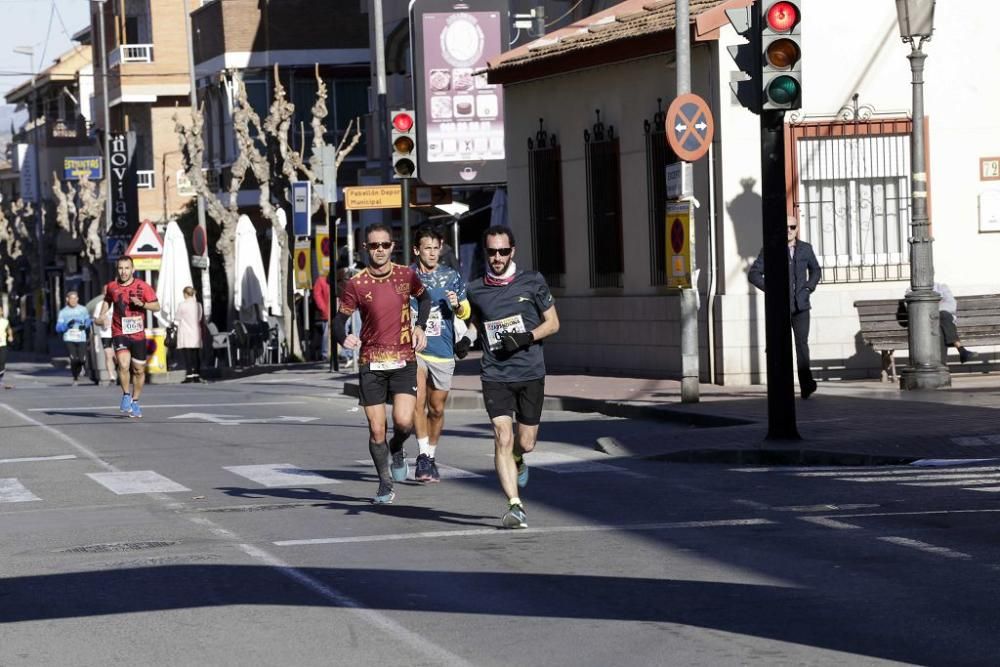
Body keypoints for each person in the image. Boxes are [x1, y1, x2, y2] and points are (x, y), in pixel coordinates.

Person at [467, 225, 560, 529]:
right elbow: (474, 325)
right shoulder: (475, 289)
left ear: (513, 251)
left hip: (530, 371)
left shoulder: (532, 282)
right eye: (492, 252)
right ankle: (515, 505)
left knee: (526, 442)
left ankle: (519, 457)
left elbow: (553, 324)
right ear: (486, 253)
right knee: (501, 436)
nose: (497, 257)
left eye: (503, 251)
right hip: (495, 373)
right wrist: (464, 341)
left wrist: (525, 338)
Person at [333, 224, 432, 504]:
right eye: (374, 246)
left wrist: (420, 327)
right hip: (371, 361)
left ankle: (397, 447)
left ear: (393, 246)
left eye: (385, 245)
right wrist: (344, 338)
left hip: (403, 359)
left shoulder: (406, 275)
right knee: (376, 428)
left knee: (403, 422)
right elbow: (339, 320)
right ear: (366, 248)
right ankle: (385, 483)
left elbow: (425, 299)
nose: (380, 250)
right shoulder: (357, 283)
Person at [409, 225, 472, 483]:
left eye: (436, 248)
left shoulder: (451, 276)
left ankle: (432, 456)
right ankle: (422, 456)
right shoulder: (407, 276)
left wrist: (457, 305)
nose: (432, 253)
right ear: (417, 250)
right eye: (427, 248)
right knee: (418, 401)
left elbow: (466, 311)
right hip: (415, 349)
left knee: (436, 408)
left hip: (443, 349)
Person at [748, 216, 821, 399]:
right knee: (779, 346)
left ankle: (806, 385)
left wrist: (808, 288)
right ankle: (781, 387)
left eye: (792, 226)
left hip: (801, 307)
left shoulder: (805, 249)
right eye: (785, 226)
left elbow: (816, 270)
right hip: (780, 308)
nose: (788, 229)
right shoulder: (771, 249)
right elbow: (754, 274)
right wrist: (772, 290)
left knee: (801, 346)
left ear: (797, 229)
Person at [97, 256, 160, 418]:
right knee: (124, 365)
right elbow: (107, 301)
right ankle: (126, 394)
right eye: (120, 268)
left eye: (126, 268)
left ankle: (135, 400)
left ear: (132, 269)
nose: (123, 272)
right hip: (120, 331)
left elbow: (156, 306)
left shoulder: (143, 286)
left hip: (138, 334)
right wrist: (101, 315)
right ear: (117, 269)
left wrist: (143, 304)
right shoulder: (112, 286)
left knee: (138, 370)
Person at [923, 282, 978, 364]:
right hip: (926, 325)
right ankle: (960, 349)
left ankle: (942, 367)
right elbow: (915, 310)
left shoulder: (941, 287)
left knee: (942, 321)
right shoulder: (911, 290)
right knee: (943, 316)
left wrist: (931, 308)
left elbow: (951, 305)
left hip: (944, 323)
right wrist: (940, 305)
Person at [55, 291, 93, 386]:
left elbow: (88, 320)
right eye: (71, 298)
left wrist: (85, 326)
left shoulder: (83, 309)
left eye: (75, 298)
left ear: (78, 299)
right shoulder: (63, 312)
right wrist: (66, 326)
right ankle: (75, 377)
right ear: (67, 299)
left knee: (82, 359)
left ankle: (81, 369)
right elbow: (58, 327)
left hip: (81, 338)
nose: (73, 300)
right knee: (73, 359)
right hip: (69, 338)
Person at [174, 286, 205, 383]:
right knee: (195, 354)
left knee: (187, 355)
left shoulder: (182, 305)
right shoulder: (198, 305)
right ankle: (197, 374)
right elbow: (199, 318)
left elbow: (177, 318)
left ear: (186, 294)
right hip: (196, 332)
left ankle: (189, 375)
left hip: (185, 332)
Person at [93, 285, 118, 387]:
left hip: (118, 332)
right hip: (106, 333)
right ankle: (112, 376)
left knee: (117, 356)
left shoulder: (117, 303)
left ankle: (119, 370)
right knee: (108, 354)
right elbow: (96, 320)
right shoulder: (99, 305)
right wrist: (102, 321)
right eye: (106, 291)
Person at [312, 273, 330, 361]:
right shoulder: (321, 280)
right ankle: (325, 354)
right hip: (326, 313)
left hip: (336, 311)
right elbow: (317, 295)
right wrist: (324, 309)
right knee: (326, 334)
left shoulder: (337, 278)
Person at [0, 304, 13, 389]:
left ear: (1, 312)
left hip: (3, 344)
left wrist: (10, 336)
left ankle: (0, 379)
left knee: (2, 362)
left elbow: (9, 329)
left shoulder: (5, 321)